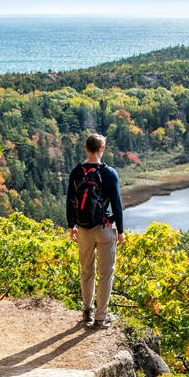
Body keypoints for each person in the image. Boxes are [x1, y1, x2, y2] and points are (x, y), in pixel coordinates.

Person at [66, 133, 124, 327]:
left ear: (85, 148)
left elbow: (69, 200)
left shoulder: (77, 171)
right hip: (104, 228)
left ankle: (87, 311)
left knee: (86, 271)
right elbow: (116, 204)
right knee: (106, 273)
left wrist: (71, 225)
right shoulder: (109, 173)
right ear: (102, 149)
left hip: (83, 229)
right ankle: (101, 317)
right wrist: (121, 230)